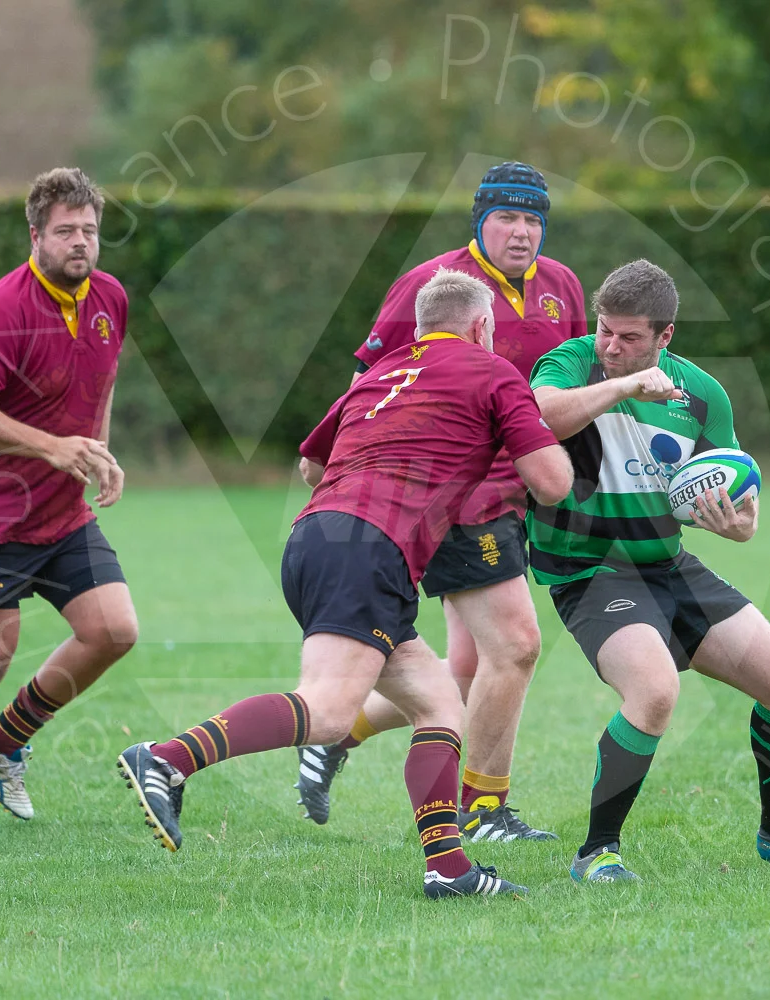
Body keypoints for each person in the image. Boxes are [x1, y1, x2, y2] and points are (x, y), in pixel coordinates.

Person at [118, 269, 573, 898]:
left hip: (316, 539)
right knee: (329, 711)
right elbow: (552, 483)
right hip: (371, 549)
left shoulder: (382, 370)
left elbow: (311, 464)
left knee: (439, 702)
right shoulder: (492, 372)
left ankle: (449, 870)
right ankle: (168, 758)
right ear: (480, 326)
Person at [529, 259, 770, 884]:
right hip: (589, 570)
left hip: (667, 563)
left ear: (665, 338)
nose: (610, 345)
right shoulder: (570, 363)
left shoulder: (701, 393)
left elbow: (735, 485)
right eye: (605, 329)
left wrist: (741, 523)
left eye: (629, 337)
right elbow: (543, 415)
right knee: (655, 691)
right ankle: (597, 852)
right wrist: (625, 385)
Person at [295, 161, 587, 843]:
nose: (521, 232)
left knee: (467, 667)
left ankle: (334, 739)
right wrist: (346, 477)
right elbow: (367, 384)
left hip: (513, 496)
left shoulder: (562, 286)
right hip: (452, 496)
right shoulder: (435, 287)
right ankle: (482, 811)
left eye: (532, 220)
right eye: (507, 217)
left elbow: (564, 387)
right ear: (479, 219)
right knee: (514, 646)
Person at [0, 168, 135, 834]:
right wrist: (53, 447)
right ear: (36, 235)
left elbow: (105, 373)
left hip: (62, 513)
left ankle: (4, 741)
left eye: (90, 231)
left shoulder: (110, 298)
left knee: (113, 631)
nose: (80, 243)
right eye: (66, 231)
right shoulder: (0, 310)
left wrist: (95, 448)